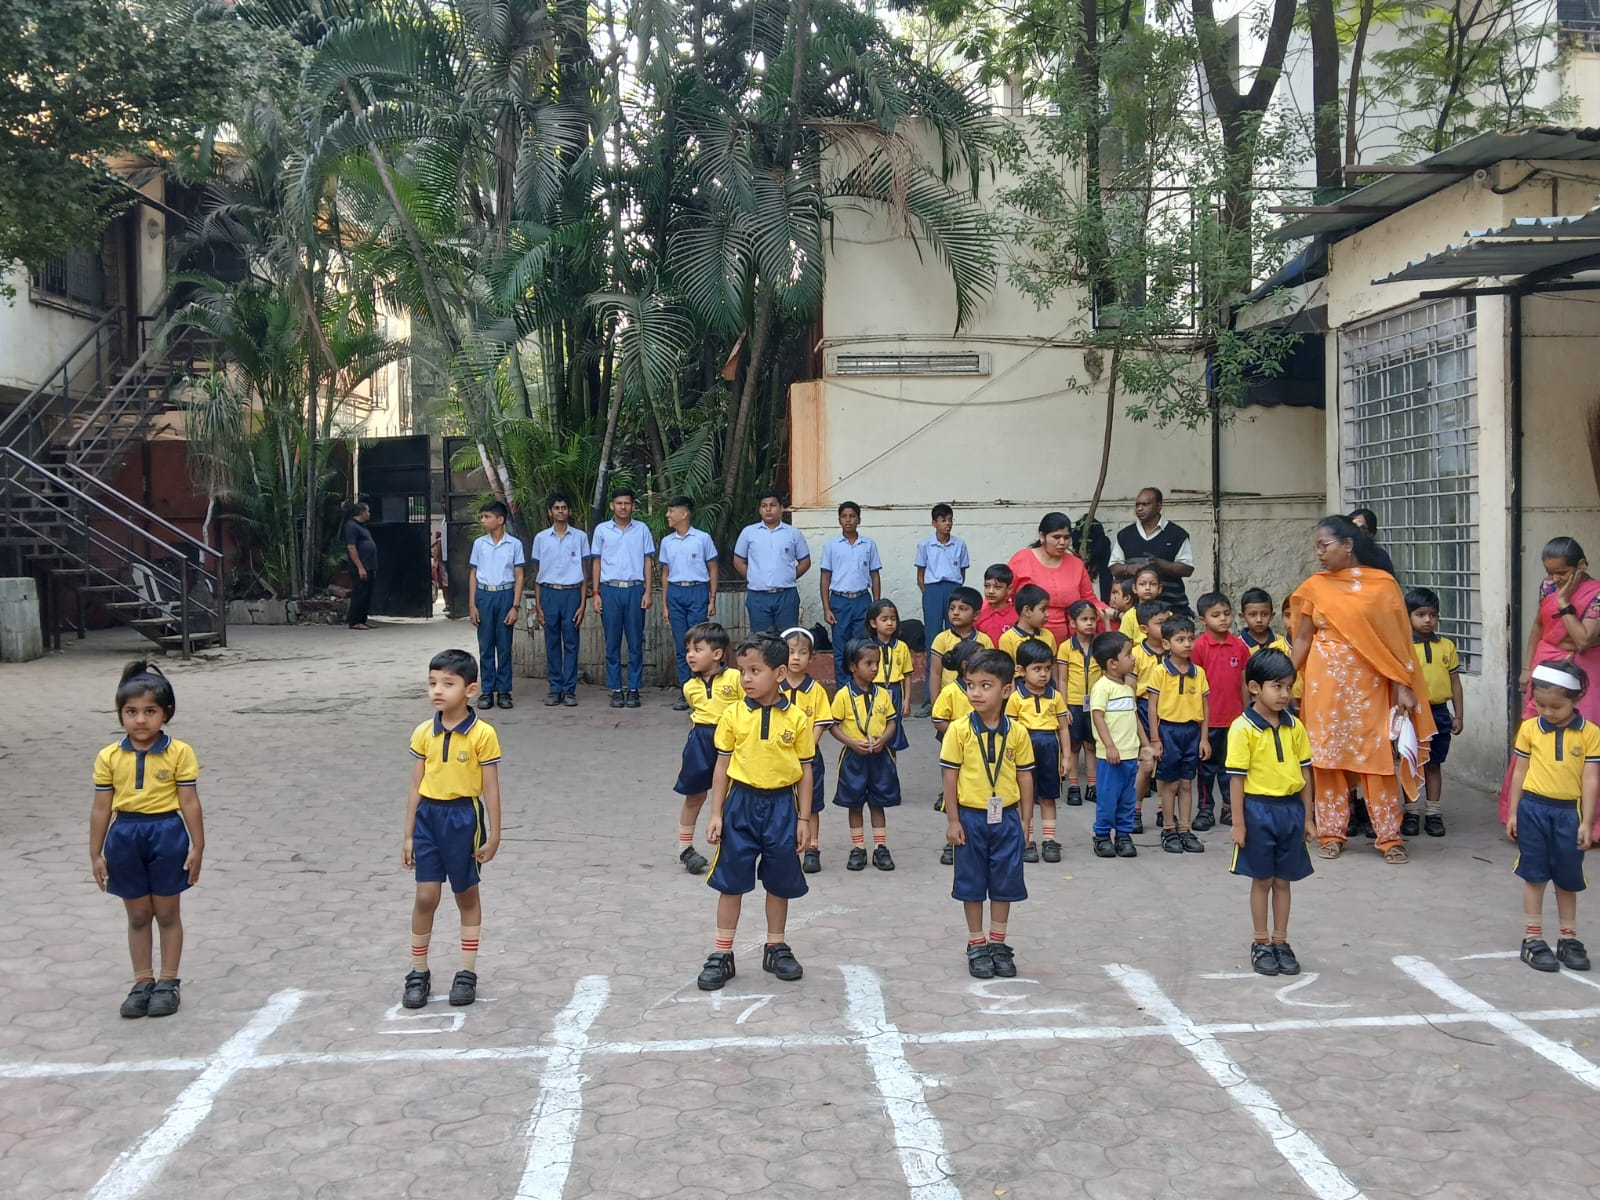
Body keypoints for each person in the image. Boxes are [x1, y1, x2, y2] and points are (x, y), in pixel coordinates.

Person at [1289, 515, 1436, 864]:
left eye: (1324, 545)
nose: (1319, 553)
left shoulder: (1382, 585)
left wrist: (1402, 686)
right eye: (1316, 547)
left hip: (1370, 687)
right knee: (1326, 758)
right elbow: (1303, 638)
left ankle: (1389, 837)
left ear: (1348, 545)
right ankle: (1330, 833)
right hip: (1323, 687)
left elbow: (1397, 644)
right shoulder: (1315, 586)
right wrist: (1282, 677)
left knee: (1375, 758)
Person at [696, 636, 816, 991]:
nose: (745, 678)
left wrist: (804, 819)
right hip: (741, 804)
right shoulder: (733, 714)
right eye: (742, 671)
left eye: (754, 671)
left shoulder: (797, 717)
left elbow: (806, 770)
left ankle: (776, 947)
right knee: (730, 881)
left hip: (782, 807)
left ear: (779, 673)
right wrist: (716, 813)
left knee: (780, 881)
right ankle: (722, 953)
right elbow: (722, 766)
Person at [91, 662, 204, 1018]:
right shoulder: (109, 756)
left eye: (150, 711)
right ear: (120, 714)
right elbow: (101, 808)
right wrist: (95, 853)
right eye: (131, 711)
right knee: (138, 915)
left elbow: (189, 802)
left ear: (166, 713)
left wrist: (198, 847)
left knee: (167, 913)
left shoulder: (179, 752)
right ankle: (142, 982)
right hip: (124, 836)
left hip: (167, 834)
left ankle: (168, 982)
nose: (140, 720)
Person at [401, 650, 503, 1010]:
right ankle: (418, 972)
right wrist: (408, 834)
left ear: (470, 689)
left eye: (448, 683)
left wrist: (495, 835)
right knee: (425, 896)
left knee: (466, 894)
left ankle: (466, 972)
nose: (437, 690)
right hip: (428, 818)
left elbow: (491, 788)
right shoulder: (423, 732)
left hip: (464, 818)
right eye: (432, 683)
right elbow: (416, 785)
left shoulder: (483, 734)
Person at [940, 648, 1035, 980]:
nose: (976, 693)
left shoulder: (1018, 732)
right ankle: (976, 943)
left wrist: (1025, 820)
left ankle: (998, 942)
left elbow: (1025, 776)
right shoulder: (958, 730)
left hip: (1006, 818)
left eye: (985, 686)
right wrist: (953, 820)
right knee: (972, 882)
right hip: (970, 818)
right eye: (971, 685)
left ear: (1006, 690)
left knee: (1004, 882)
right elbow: (949, 776)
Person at [1226, 648, 1315, 977]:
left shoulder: (1295, 726)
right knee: (1262, 879)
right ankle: (1261, 941)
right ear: (1254, 687)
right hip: (1257, 810)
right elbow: (1236, 779)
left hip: (1290, 810)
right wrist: (1238, 823)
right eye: (1277, 686)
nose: (1284, 694)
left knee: (1283, 880)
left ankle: (1281, 941)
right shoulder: (1242, 728)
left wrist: (1308, 817)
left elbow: (1306, 773)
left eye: (1288, 686)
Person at [1500, 537, 1600, 822]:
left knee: (1582, 738)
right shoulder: (1547, 587)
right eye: (1550, 572)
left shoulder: (1596, 594)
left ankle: (1586, 822)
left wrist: (1565, 602)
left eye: (1562, 573)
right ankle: (1521, 813)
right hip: (1546, 663)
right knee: (1534, 733)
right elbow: (1538, 626)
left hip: (1584, 669)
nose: (1555, 579)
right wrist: (1526, 668)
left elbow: (1583, 638)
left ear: (1582, 565)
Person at [1507, 660, 1598, 973]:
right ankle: (1533, 939)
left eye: (1556, 706)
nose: (1547, 712)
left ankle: (1568, 939)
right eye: (1541, 705)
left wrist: (1587, 822)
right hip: (1532, 810)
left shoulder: (1590, 734)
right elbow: (1519, 772)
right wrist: (1513, 812)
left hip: (1568, 813)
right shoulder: (1530, 729)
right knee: (1534, 875)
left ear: (1576, 699)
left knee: (1567, 877)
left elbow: (1591, 779)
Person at [674, 623, 743, 876]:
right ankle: (685, 848)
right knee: (694, 795)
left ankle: (731, 847)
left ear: (717, 654)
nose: (690, 655)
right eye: (688, 650)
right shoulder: (689, 687)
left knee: (732, 796)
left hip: (731, 741)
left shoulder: (736, 678)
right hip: (700, 742)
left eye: (697, 649)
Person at [831, 638, 903, 870]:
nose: (874, 668)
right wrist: (851, 742)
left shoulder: (882, 694)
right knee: (854, 802)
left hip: (880, 756)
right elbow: (834, 725)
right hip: (854, 757)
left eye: (877, 663)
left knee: (877, 802)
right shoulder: (843, 695)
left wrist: (883, 740)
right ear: (853, 666)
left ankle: (880, 847)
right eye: (868, 663)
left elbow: (892, 722)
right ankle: (858, 847)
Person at [1149, 613, 1210, 854]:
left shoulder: (1199, 672)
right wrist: (1155, 739)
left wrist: (1204, 738)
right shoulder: (1160, 672)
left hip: (1191, 731)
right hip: (1168, 731)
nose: (1187, 644)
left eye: (1191, 639)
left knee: (1186, 782)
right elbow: (1152, 706)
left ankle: (1185, 828)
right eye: (1180, 639)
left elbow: (1205, 707)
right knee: (1169, 783)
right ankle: (1168, 828)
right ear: (1167, 644)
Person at [591, 488, 656, 709]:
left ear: (633, 506)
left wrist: (648, 591)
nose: (623, 507)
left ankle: (634, 689)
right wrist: (596, 593)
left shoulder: (642, 529)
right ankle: (616, 689)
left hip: (635, 590)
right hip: (610, 590)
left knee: (635, 641)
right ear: (612, 505)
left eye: (627, 503)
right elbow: (597, 562)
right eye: (619, 503)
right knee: (612, 642)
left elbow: (648, 561)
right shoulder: (602, 530)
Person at [1407, 586, 1462, 839]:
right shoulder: (1404, 647)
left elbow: (1455, 682)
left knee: (1433, 764)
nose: (1427, 620)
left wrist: (1458, 715)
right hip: (1412, 714)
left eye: (1433, 615)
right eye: (1420, 614)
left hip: (1439, 712)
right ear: (1408, 616)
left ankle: (1433, 813)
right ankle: (1411, 812)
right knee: (1411, 762)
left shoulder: (1447, 646)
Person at [1008, 639, 1069, 863]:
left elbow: (1063, 728)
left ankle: (1049, 840)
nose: (1043, 674)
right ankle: (1027, 839)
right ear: (1021, 670)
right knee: (1024, 796)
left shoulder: (1055, 696)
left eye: (1047, 668)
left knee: (1048, 795)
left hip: (1050, 747)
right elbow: (1010, 730)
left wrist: (1067, 757)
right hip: (1025, 749)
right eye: (1037, 669)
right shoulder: (1015, 698)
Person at [1193, 591, 1249, 831]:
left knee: (1231, 767)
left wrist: (1246, 713)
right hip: (1208, 720)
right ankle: (1205, 809)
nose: (1223, 619)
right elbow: (1195, 686)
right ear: (1203, 619)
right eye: (1215, 615)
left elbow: (1244, 683)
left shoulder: (1240, 646)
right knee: (1206, 769)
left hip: (1234, 719)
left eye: (1226, 613)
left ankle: (1229, 807)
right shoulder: (1198, 647)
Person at [781, 627, 835, 874]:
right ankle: (784, 847)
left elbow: (820, 725)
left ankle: (812, 848)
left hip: (809, 759)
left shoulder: (816, 690)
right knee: (783, 803)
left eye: (802, 653)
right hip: (780, 758)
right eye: (791, 652)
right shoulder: (775, 687)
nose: (796, 657)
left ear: (811, 658)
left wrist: (806, 750)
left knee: (810, 805)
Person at [658, 497, 720, 709]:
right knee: (681, 645)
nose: (667, 515)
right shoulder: (667, 542)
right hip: (675, 592)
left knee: (699, 643)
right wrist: (664, 604)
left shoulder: (702, 538)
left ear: (683, 514)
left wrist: (712, 598)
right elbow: (665, 573)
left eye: (671, 511)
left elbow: (713, 568)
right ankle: (686, 691)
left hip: (697, 591)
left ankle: (701, 690)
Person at [529, 493, 589, 707]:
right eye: (556, 508)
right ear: (550, 512)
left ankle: (569, 690)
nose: (560, 511)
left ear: (569, 511)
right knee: (552, 642)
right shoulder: (541, 538)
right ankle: (555, 688)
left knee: (571, 643)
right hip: (549, 593)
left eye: (564, 507)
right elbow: (537, 573)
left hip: (572, 594)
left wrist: (582, 604)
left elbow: (584, 572)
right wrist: (538, 605)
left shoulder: (580, 537)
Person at [1007, 512, 1106, 643]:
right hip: (1026, 640)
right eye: (1056, 537)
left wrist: (1117, 614)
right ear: (1042, 537)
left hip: (1070, 641)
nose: (1062, 542)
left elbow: (1089, 600)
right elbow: (1003, 594)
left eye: (1066, 538)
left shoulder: (1076, 564)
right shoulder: (1021, 560)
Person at [1089, 632, 1145, 859]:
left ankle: (1123, 835)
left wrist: (1145, 744)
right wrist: (1110, 746)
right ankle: (1102, 835)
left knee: (1127, 798)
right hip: (1110, 757)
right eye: (1128, 654)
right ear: (1113, 663)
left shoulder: (1127, 688)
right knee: (1108, 798)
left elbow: (1134, 717)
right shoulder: (1102, 688)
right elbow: (1098, 717)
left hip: (1130, 755)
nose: (1133, 658)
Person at [468, 501, 526, 710]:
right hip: (484, 595)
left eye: (487, 517)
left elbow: (519, 576)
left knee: (504, 646)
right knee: (485, 646)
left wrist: (515, 606)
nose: (483, 521)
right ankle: (487, 691)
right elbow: (473, 574)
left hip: (505, 594)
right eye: (482, 517)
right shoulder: (479, 544)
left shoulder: (514, 545)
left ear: (500, 520)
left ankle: (504, 691)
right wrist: (472, 605)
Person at [914, 503, 971, 715]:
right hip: (933, 590)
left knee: (957, 639)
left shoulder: (960, 544)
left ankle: (957, 692)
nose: (947, 524)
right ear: (934, 523)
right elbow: (920, 576)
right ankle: (931, 699)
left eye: (950, 520)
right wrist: (928, 594)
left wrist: (954, 592)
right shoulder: (925, 545)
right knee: (933, 641)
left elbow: (962, 573)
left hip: (953, 589)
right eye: (943, 520)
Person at [820, 501, 882, 687]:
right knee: (841, 649)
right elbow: (825, 578)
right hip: (839, 601)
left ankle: (860, 687)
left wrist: (876, 606)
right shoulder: (831, 546)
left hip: (863, 600)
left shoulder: (868, 545)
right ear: (839, 520)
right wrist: (826, 608)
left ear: (859, 520)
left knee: (862, 647)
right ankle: (843, 690)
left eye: (852, 516)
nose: (848, 520)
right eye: (844, 516)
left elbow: (875, 576)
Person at [932, 638, 982, 867]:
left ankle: (975, 838)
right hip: (957, 751)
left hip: (980, 751)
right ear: (964, 665)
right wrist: (958, 733)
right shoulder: (951, 691)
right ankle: (952, 840)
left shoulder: (986, 688)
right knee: (955, 793)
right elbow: (938, 718)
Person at [733, 492, 811, 634]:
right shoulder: (748, 532)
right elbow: (738, 561)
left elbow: (805, 562)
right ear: (760, 510)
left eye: (773, 505)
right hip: (758, 596)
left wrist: (789, 576)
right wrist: (753, 577)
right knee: (761, 640)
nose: (768, 509)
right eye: (764, 506)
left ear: (781, 508)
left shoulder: (793, 533)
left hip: (786, 595)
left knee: (788, 638)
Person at [1110, 487, 1195, 616]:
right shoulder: (1125, 535)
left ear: (1159, 506)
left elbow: (1187, 569)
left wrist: (1161, 564)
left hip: (1172, 610)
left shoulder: (1177, 534)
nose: (1139, 508)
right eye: (1137, 505)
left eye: (1145, 504)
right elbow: (1114, 567)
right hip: (1135, 612)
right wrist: (1129, 569)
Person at [1056, 599, 1101, 808]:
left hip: (1095, 704)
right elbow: (1062, 679)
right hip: (1073, 703)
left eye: (1092, 619)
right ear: (1073, 623)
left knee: (1091, 746)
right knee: (1073, 746)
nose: (1089, 623)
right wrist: (1063, 707)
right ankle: (1073, 785)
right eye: (1084, 619)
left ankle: (1092, 785)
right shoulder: (1066, 647)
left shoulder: (1099, 645)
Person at [1132, 599, 1172, 833]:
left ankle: (1163, 809)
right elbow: (1130, 695)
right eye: (1160, 623)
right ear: (1144, 628)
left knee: (1168, 766)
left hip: (1171, 710)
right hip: (1144, 709)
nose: (1165, 626)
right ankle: (1135, 810)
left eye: (1168, 621)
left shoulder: (1174, 650)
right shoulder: (1136, 654)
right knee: (1146, 764)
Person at [928, 585, 993, 700]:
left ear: (976, 615)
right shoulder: (941, 639)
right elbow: (935, 673)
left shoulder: (984, 640)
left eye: (962, 609)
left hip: (976, 696)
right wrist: (935, 703)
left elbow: (990, 671)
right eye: (952, 608)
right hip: (948, 698)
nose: (956, 613)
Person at [867, 600, 914, 752]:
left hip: (895, 691)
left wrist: (906, 700)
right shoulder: (868, 647)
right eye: (884, 619)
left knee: (893, 728)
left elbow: (907, 675)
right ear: (873, 623)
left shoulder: (902, 647)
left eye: (893, 619)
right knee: (874, 725)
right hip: (874, 690)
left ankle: (891, 760)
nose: (889, 623)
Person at [998, 583, 1057, 667]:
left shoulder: (1048, 635)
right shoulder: (1007, 639)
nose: (1047, 614)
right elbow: (1007, 670)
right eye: (1043, 609)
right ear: (1027, 611)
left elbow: (1053, 664)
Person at [344, 501, 377, 630]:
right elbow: (351, 547)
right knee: (359, 594)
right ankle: (354, 621)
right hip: (361, 567)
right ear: (362, 512)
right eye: (367, 511)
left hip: (369, 565)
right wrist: (360, 567)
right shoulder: (351, 526)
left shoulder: (363, 527)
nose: (369, 513)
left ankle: (363, 619)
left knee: (367, 594)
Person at [1239, 588, 1290, 657]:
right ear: (1243, 617)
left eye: (1264, 614)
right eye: (1253, 615)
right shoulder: (1237, 646)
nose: (1259, 620)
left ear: (1272, 616)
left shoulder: (1282, 642)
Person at [1120, 566, 1163, 646]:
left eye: (1153, 584)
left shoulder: (1166, 614)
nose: (1147, 588)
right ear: (1134, 588)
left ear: (1159, 588)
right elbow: (1123, 643)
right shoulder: (1129, 616)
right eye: (1142, 584)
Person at [1347, 507, 1397, 577]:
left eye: (1360, 528)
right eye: (1351, 526)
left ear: (1371, 533)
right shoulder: (1340, 552)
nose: (1354, 531)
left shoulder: (1379, 555)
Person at [976, 564, 1017, 645]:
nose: (991, 591)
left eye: (997, 587)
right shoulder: (978, 613)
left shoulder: (1016, 616)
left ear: (1009, 589)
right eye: (987, 586)